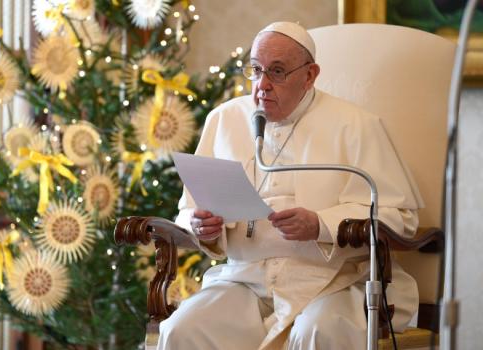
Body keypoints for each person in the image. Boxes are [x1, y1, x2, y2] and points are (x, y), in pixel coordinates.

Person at [158, 22, 423, 350]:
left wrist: (321, 225)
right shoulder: (224, 119)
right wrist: (203, 227)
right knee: (182, 330)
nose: (262, 85)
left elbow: (401, 218)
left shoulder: (355, 125)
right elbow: (187, 211)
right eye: (256, 70)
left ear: (310, 75)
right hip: (247, 281)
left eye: (277, 71)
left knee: (316, 333)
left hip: (336, 280)